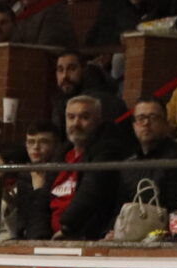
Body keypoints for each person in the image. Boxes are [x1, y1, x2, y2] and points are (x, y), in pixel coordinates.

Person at [51, 95, 129, 240]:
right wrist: (39, 235)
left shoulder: (107, 151)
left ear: (98, 121)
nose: (76, 123)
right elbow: (42, 201)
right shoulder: (60, 155)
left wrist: (66, 228)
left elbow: (91, 191)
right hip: (50, 238)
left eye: (84, 117)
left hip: (80, 236)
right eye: (71, 117)